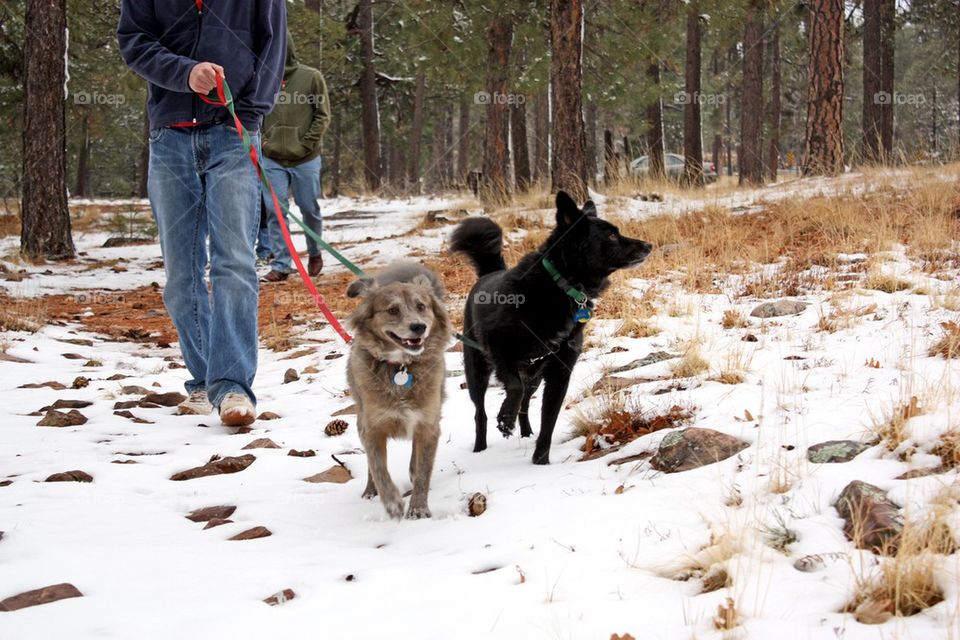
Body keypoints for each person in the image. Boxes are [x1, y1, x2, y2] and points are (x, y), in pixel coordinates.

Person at [118, 0, 286, 426]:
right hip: (169, 137)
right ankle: (204, 381)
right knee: (181, 275)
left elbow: (273, 47)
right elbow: (134, 40)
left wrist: (248, 116)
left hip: (233, 133)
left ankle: (232, 387)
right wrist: (185, 73)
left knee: (235, 262)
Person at [259, 34, 331, 282]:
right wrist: (263, 141)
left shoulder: (311, 77)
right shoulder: (262, 79)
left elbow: (322, 115)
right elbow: (254, 113)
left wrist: (305, 144)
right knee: (275, 210)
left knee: (309, 208)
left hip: (305, 158)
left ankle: (314, 252)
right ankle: (281, 264)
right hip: (272, 158)